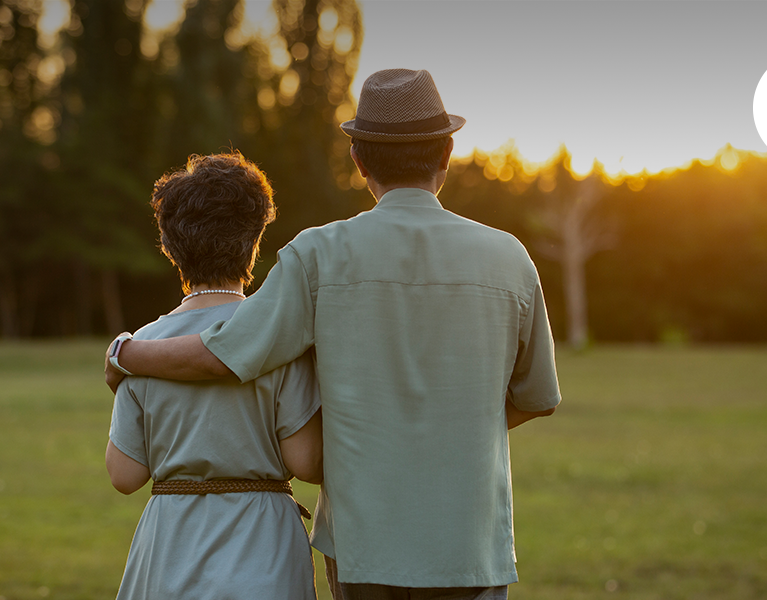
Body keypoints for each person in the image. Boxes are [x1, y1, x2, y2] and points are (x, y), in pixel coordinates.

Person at [105, 69, 562, 600]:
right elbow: (537, 397)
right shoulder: (509, 258)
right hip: (469, 539)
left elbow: (226, 353)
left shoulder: (317, 254)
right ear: (447, 153)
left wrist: (127, 352)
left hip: (363, 541)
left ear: (359, 159)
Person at [104, 152, 324, 600]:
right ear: (255, 237)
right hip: (262, 548)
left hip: (169, 548)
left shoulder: (143, 346)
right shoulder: (277, 338)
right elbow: (306, 462)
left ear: (169, 244)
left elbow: (124, 474)